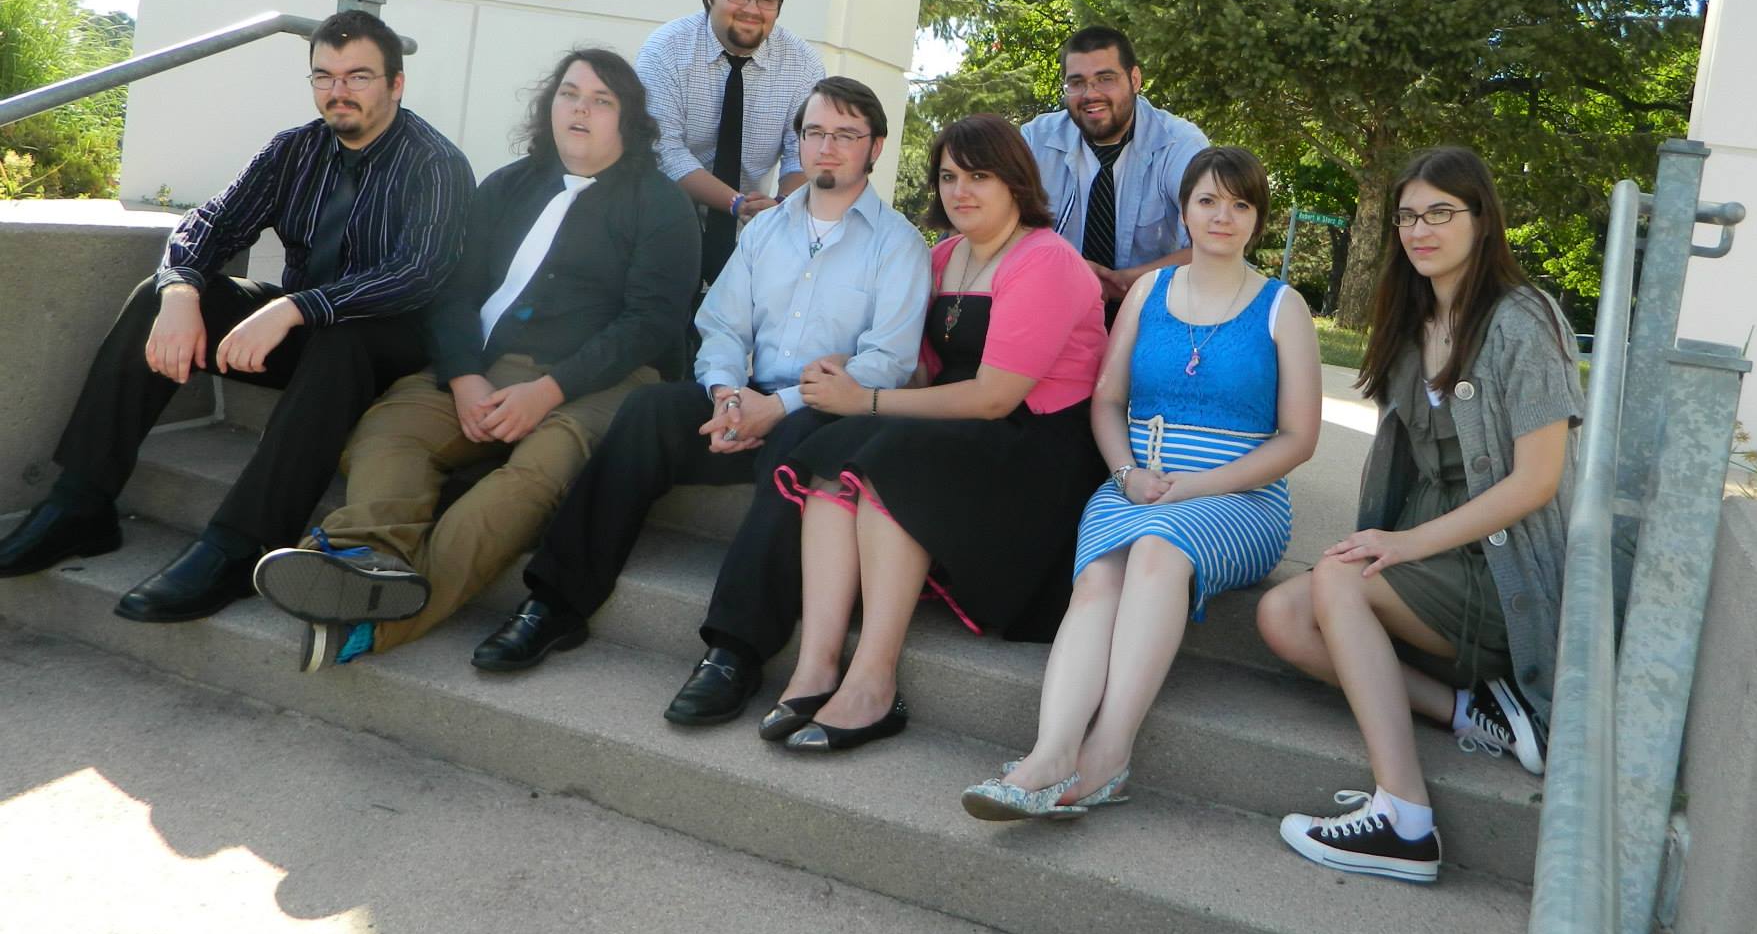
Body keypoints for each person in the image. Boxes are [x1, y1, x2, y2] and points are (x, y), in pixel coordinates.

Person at [471, 76, 929, 720]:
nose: (827, 147)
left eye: (846, 135)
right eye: (815, 132)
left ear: (875, 147)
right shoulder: (766, 231)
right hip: (745, 400)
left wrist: (780, 406)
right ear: (799, 142)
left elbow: (887, 361)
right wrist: (725, 395)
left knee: (798, 449)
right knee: (648, 411)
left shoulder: (899, 245)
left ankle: (734, 652)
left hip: (824, 411)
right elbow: (721, 326)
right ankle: (555, 603)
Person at [0, 10, 473, 619]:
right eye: (324, 76)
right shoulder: (295, 149)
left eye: (358, 76)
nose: (338, 91)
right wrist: (180, 292)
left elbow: (418, 273)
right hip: (302, 329)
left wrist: (296, 307)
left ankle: (240, 545)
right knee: (157, 296)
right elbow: (211, 223)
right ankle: (81, 504)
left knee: (343, 339)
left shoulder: (435, 163)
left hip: (391, 348)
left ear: (396, 84)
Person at [246, 49, 697, 670]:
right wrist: (463, 376)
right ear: (550, 105)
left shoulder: (662, 204)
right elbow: (456, 291)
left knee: (536, 475)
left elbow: (649, 323)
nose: (580, 110)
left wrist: (550, 390)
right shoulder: (508, 186)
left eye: (602, 100)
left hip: (604, 381)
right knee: (390, 430)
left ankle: (375, 622)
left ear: (629, 118)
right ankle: (359, 556)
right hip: (485, 365)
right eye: (569, 94)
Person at [962, 147, 1321, 819]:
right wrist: (1126, 473)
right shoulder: (1149, 293)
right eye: (1208, 200)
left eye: (1240, 204)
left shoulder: (1283, 307)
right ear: (1184, 211)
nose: (1222, 216)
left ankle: (1109, 754)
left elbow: (1299, 439)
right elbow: (1107, 400)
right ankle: (1050, 753)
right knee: (1101, 574)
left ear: (1258, 219)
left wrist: (1200, 486)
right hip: (1138, 482)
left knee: (1157, 551)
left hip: (1239, 495)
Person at [1257, 146, 1583, 884]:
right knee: (1282, 616)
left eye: (1440, 213)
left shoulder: (1524, 322)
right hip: (1433, 553)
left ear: (1482, 219)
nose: (1419, 230)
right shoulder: (1413, 319)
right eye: (1407, 217)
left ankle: (1404, 817)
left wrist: (1403, 546)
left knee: (1338, 582)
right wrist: (1395, 541)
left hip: (1502, 568)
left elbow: (1536, 483)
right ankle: (1474, 713)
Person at [764, 113, 1108, 753]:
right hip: (959, 425)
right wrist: (852, 371)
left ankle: (873, 682)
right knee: (832, 452)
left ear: (1015, 181)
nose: (960, 191)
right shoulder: (944, 256)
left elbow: (995, 396)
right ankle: (816, 666)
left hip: (1034, 444)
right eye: (949, 176)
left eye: (979, 176)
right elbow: (923, 370)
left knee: (891, 457)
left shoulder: (1046, 261)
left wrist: (867, 400)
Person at [634, 0, 825, 289]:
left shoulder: (803, 64)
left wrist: (780, 208)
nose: (752, 9)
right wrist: (735, 203)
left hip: (753, 229)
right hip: (659, 219)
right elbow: (664, 151)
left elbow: (803, 153)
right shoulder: (666, 49)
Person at [1021, 26, 1208, 318]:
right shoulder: (1034, 141)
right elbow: (994, 228)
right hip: (1050, 306)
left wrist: (1121, 284)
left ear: (1135, 80)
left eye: (1105, 79)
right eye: (1076, 83)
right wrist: (1064, 273)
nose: (1090, 94)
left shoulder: (1180, 144)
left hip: (1153, 309)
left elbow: (1210, 245)